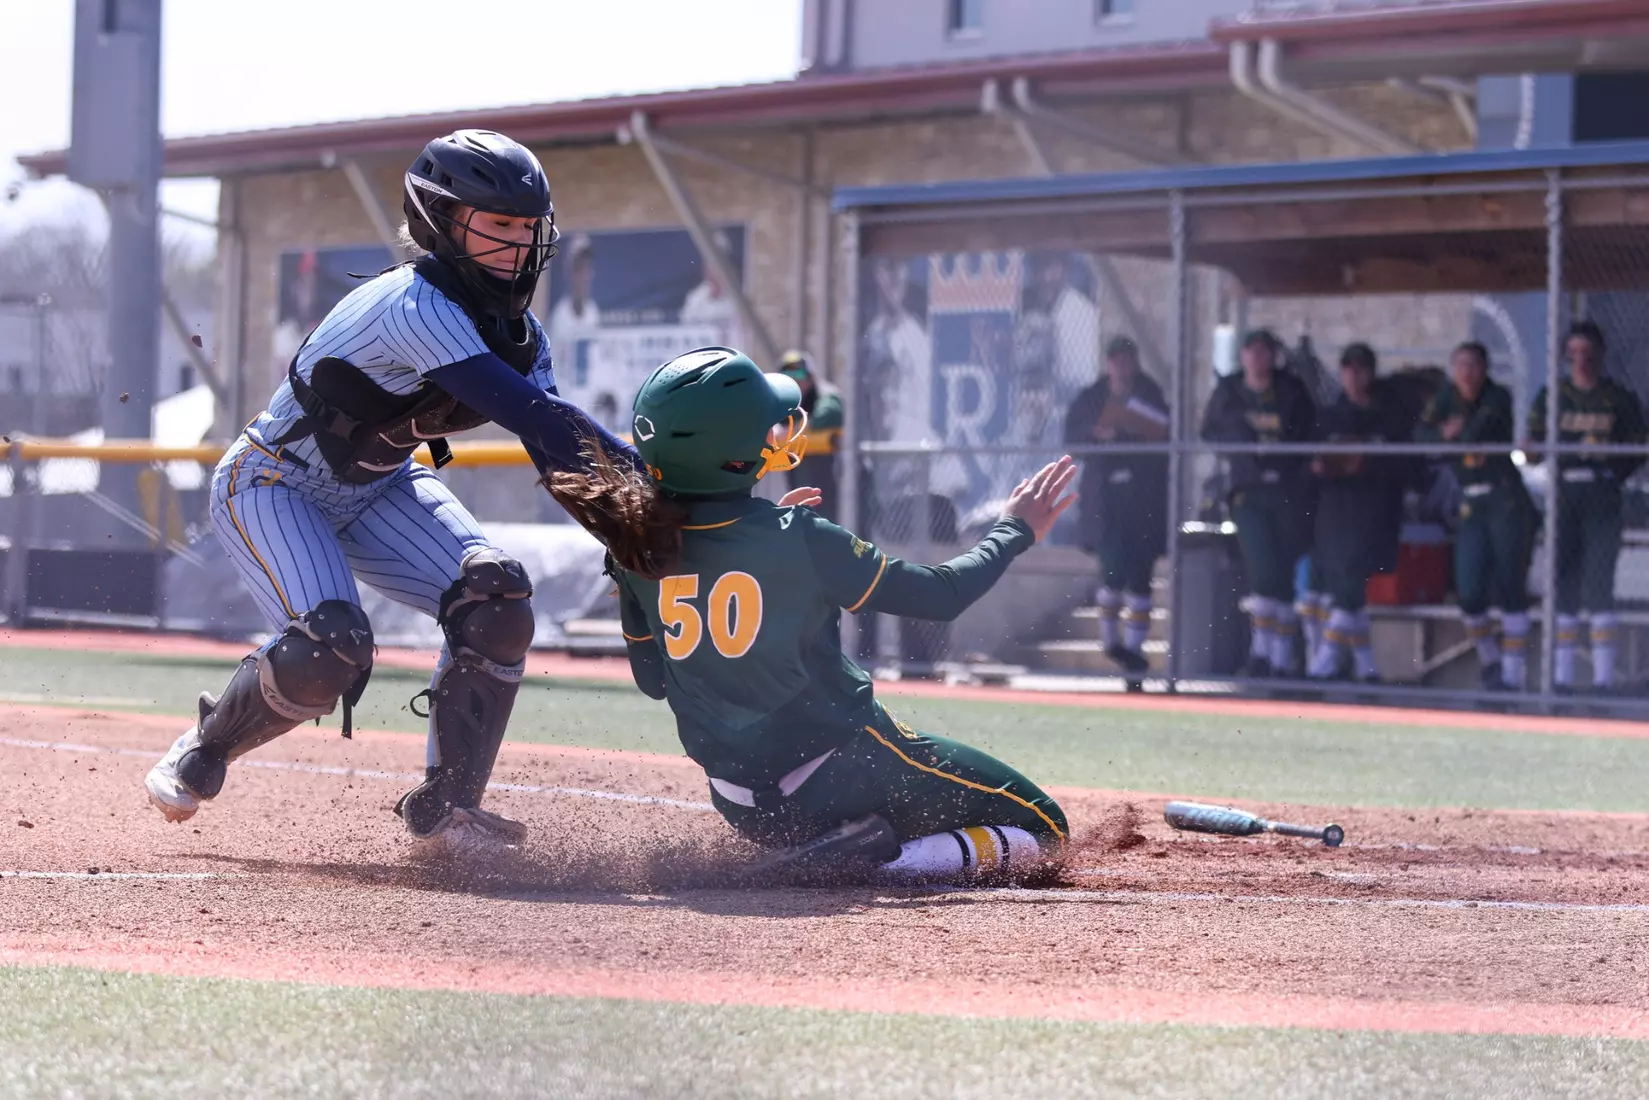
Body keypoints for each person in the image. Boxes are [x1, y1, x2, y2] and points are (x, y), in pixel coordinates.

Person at [141, 130, 679, 858]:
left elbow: (561, 459)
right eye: (496, 226)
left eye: (528, 228)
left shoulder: (525, 335)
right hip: (273, 482)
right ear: (438, 222)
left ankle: (447, 809)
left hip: (381, 485)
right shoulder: (412, 303)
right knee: (330, 647)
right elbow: (536, 417)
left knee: (497, 602)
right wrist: (664, 493)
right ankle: (206, 743)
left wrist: (635, 539)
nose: (518, 246)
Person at [590, 346, 1071, 883]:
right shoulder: (798, 538)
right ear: (734, 455)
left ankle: (853, 845)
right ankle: (883, 863)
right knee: (1047, 832)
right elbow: (942, 595)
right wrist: (1014, 529)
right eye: (764, 425)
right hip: (843, 774)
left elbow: (654, 681)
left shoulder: (632, 547)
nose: (777, 431)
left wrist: (769, 545)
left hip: (743, 805)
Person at [1527, 320, 1647, 694]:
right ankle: (1562, 678)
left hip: (1601, 496)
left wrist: (1612, 466)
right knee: (1563, 583)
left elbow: (1638, 445)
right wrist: (1532, 451)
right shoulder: (1554, 396)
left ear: (1600, 354)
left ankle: (1602, 679)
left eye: (1588, 353)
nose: (1582, 361)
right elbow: (1531, 445)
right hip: (1565, 495)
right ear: (1565, 356)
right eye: (1574, 353)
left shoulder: (1617, 398)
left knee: (1598, 583)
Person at [1416, 341, 1535, 691]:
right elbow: (1421, 435)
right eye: (1460, 365)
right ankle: (1491, 661)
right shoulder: (1446, 397)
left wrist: (1452, 434)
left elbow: (1473, 434)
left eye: (1473, 366)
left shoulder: (1497, 396)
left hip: (1505, 499)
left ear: (1484, 370)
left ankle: (1513, 674)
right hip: (1471, 502)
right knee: (1468, 592)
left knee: (1511, 586)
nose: (1466, 373)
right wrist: (1441, 433)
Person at [1200, 329, 1317, 678]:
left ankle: (1279, 659)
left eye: (1265, 351)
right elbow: (1209, 432)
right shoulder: (1230, 391)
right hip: (1248, 491)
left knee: (1281, 575)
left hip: (1286, 490)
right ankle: (1260, 653)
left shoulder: (1291, 390)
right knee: (1263, 570)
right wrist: (1241, 449)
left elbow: (1309, 432)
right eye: (1251, 351)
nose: (1258, 358)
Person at [1062, 336, 1170, 687]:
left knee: (1140, 577)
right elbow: (1072, 440)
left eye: (1128, 359)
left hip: (1143, 499)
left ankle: (1134, 657)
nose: (1122, 366)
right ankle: (1112, 643)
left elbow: (1164, 435)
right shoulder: (1091, 397)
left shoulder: (1150, 394)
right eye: (1116, 360)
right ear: (1107, 363)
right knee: (1112, 571)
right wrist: (1098, 434)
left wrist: (1129, 433)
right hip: (1105, 500)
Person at [1305, 343, 1416, 683]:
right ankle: (1367, 667)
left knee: (1353, 585)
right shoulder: (1329, 417)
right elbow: (1311, 461)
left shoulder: (1389, 417)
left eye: (1361, 369)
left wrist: (1365, 462)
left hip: (1375, 511)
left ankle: (1321, 666)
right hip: (1336, 512)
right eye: (1348, 369)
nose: (1354, 376)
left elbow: (1405, 464)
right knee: (1340, 589)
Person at [777, 350, 843, 521]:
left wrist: (793, 430)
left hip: (829, 474)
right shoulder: (785, 400)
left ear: (810, 376)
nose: (794, 378)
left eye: (799, 373)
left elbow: (827, 416)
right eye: (787, 374)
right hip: (799, 473)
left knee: (828, 520)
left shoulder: (825, 394)